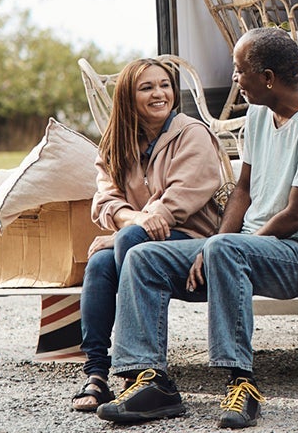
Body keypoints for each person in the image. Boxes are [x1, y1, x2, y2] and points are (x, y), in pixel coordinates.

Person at [97, 27, 298, 430]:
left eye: (239, 71)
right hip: (251, 246)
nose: (234, 80)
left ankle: (242, 383)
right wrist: (215, 243)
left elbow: (296, 216)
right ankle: (151, 381)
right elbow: (244, 189)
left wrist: (224, 247)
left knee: (224, 249)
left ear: (267, 78)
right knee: (144, 256)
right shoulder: (258, 114)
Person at [72, 58, 225, 412]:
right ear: (128, 97)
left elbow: (182, 198)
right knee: (99, 262)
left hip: (194, 245)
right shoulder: (116, 143)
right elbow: (105, 200)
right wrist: (134, 220)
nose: (160, 93)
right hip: (142, 238)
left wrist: (129, 229)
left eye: (165, 85)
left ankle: (145, 372)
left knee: (123, 242)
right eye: (147, 87)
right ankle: (97, 374)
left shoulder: (192, 133)